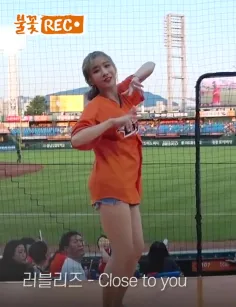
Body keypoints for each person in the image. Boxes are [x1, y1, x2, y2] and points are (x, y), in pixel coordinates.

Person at [70, 51, 155, 307]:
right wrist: (110, 123)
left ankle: (115, 302)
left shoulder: (123, 93)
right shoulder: (96, 107)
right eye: (97, 70)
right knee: (124, 252)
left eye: (107, 65)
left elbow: (150, 63)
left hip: (129, 184)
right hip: (110, 183)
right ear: (91, 80)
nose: (104, 71)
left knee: (136, 248)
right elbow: (76, 139)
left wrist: (136, 78)